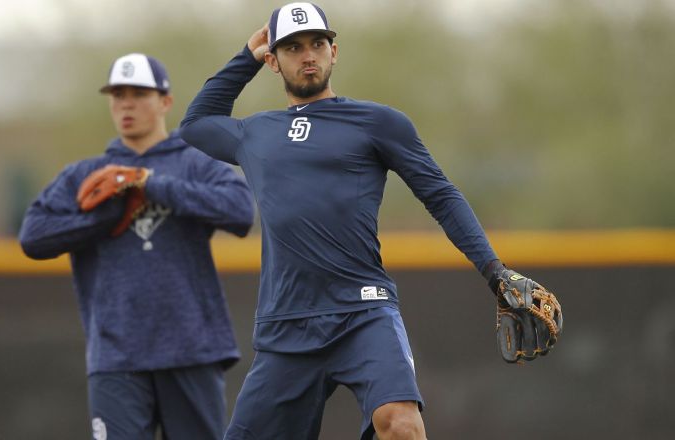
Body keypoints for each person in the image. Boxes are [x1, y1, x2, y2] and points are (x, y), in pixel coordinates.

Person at [180, 3, 562, 440]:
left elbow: (440, 195)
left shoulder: (377, 122)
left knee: (400, 424)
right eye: (293, 47)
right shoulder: (255, 132)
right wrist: (245, 55)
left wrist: (495, 271)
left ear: (334, 52)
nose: (308, 55)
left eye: (318, 44)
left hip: (362, 311)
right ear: (273, 60)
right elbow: (195, 124)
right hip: (286, 325)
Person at [19, 53, 254, 440]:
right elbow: (34, 236)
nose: (126, 103)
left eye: (139, 93)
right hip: (117, 354)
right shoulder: (87, 176)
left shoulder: (194, 163)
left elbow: (242, 211)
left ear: (165, 101)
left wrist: (148, 181)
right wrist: (106, 217)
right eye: (118, 94)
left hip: (191, 348)